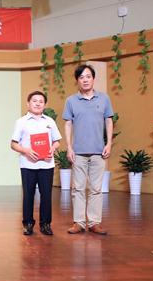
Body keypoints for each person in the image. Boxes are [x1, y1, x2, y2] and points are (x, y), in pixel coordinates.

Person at [63, 64, 114, 235]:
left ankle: (94, 222)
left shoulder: (104, 99)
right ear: (77, 80)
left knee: (96, 189)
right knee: (77, 188)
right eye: (81, 77)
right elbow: (68, 124)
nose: (85, 80)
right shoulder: (71, 101)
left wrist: (108, 143)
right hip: (78, 152)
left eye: (88, 76)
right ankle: (78, 222)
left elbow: (109, 121)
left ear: (93, 79)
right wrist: (69, 147)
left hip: (99, 152)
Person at [11, 91, 61, 236]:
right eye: (34, 101)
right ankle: (28, 224)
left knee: (46, 195)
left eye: (41, 101)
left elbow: (57, 141)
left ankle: (45, 224)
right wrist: (26, 150)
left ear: (44, 105)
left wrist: (52, 148)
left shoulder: (49, 121)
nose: (38, 103)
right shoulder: (21, 122)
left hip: (46, 164)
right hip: (28, 165)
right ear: (28, 104)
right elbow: (13, 144)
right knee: (28, 195)